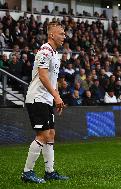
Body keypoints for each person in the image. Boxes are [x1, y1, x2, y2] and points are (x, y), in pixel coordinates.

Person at [22, 21, 69, 183]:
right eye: (61, 33)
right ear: (51, 35)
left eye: (64, 33)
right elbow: (42, 76)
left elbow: (50, 78)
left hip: (46, 99)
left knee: (51, 134)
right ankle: (27, 173)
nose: (64, 36)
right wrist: (56, 96)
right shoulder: (45, 51)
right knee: (42, 135)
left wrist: (56, 97)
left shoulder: (55, 54)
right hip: (37, 98)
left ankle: (49, 172)